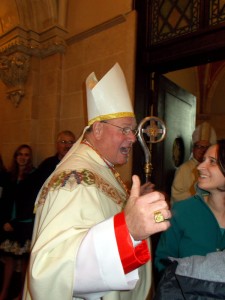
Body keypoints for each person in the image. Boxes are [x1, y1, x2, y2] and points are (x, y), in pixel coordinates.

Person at [23, 63, 171, 300]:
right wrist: (129, 230)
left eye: (132, 130)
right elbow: (50, 269)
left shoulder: (102, 168)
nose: (132, 138)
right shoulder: (75, 179)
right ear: (99, 129)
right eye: (125, 129)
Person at [154, 139, 225, 281]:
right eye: (203, 159)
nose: (199, 167)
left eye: (212, 161)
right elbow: (162, 263)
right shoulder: (182, 212)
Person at [0, 144, 36, 300]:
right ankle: (4, 291)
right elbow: (4, 201)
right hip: (9, 224)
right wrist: (4, 220)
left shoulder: (33, 176)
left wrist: (14, 222)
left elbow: (31, 203)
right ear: (15, 157)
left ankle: (22, 294)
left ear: (30, 158)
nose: (23, 157)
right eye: (20, 154)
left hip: (24, 223)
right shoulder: (10, 176)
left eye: (26, 155)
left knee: (24, 262)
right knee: (9, 259)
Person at [171, 122, 217, 203]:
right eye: (199, 146)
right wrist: (200, 197)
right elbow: (176, 194)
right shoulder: (184, 168)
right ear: (193, 149)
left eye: (207, 147)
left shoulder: (214, 168)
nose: (203, 150)